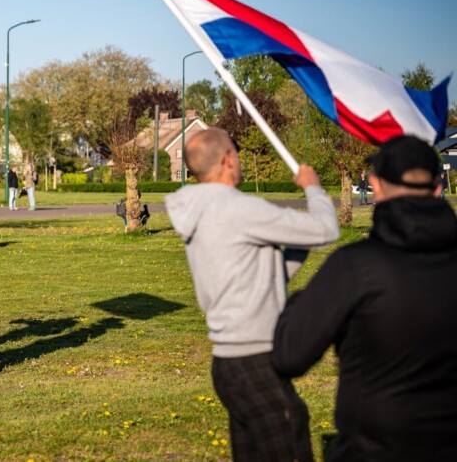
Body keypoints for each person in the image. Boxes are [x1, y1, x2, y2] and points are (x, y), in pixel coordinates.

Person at [272, 135, 457, 460]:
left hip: (372, 449)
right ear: (438, 189)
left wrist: (301, 302)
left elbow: (289, 354)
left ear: (377, 187)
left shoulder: (354, 267)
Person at [164, 128, 339, 461]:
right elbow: (326, 229)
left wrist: (295, 246)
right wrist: (313, 188)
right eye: (237, 153)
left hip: (229, 363)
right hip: (255, 360)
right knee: (289, 435)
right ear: (229, 159)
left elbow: (260, 272)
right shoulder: (240, 209)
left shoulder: (198, 210)